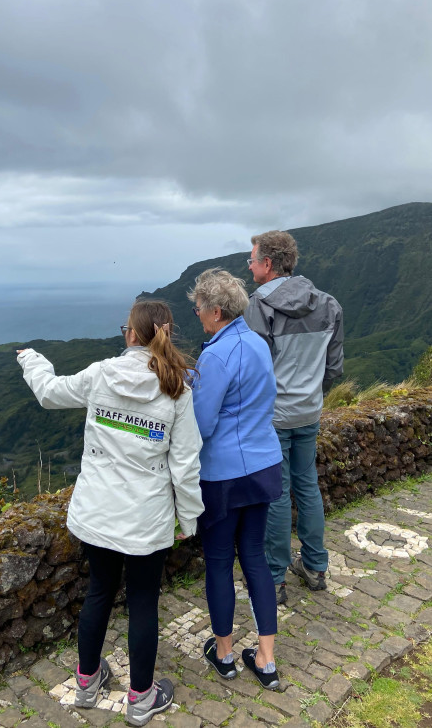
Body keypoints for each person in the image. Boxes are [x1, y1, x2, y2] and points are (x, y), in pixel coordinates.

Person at [17, 300, 204, 726]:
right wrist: (189, 518)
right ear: (166, 332)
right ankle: (141, 698)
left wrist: (32, 359)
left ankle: (86, 683)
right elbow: (185, 463)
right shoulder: (177, 389)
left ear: (131, 334)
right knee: (143, 601)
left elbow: (49, 392)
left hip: (98, 512)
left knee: (99, 591)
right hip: (146, 518)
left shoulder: (101, 374)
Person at [187, 268, 283, 690]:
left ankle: (224, 654)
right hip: (263, 465)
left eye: (199, 309)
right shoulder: (258, 343)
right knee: (256, 558)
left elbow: (202, 424)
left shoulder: (215, 356)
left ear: (216, 311)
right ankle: (266, 659)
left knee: (220, 562)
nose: (197, 315)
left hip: (223, 475)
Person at [244, 230, 343, 605]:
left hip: (273, 416)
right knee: (307, 485)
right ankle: (315, 567)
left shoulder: (259, 306)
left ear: (267, 263)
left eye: (252, 260)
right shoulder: (329, 304)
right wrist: (312, 394)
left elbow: (254, 370)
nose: (249, 267)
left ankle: (274, 579)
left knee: (277, 493)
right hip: (309, 410)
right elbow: (334, 368)